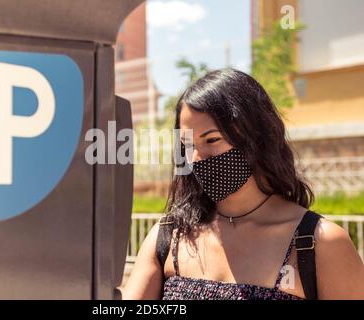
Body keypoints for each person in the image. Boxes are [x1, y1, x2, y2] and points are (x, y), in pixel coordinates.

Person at [121, 68, 364, 300]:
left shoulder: (320, 244)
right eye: (187, 145)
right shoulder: (168, 236)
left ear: (255, 138)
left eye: (212, 139)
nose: (195, 157)